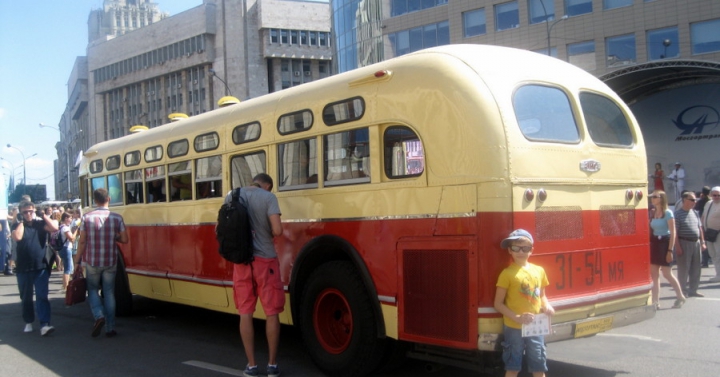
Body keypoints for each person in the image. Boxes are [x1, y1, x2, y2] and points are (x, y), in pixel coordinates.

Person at [223, 173, 283, 377]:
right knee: (271, 312)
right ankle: (272, 365)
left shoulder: (232, 195)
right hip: (266, 262)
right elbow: (277, 230)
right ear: (267, 185)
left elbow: (220, 229)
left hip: (241, 263)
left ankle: (251, 365)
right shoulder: (268, 198)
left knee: (245, 312)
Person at [494, 229, 554, 377]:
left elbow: (542, 296)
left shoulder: (539, 271)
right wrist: (517, 318)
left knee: (538, 365)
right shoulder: (507, 274)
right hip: (514, 327)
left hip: (535, 326)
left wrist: (547, 306)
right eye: (515, 248)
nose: (520, 252)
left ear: (531, 250)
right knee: (513, 366)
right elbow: (498, 304)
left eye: (525, 248)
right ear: (510, 250)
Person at [74, 188, 129, 338]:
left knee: (92, 290)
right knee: (109, 292)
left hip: (92, 261)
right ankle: (110, 328)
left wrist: (77, 260)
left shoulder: (87, 217)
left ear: (95, 200)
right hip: (110, 260)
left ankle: (99, 315)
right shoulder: (117, 218)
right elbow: (125, 239)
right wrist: (114, 236)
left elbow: (83, 241)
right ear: (109, 199)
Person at [11, 200, 59, 336]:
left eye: (30, 211)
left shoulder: (40, 224)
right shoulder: (17, 225)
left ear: (34, 211)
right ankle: (28, 321)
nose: (28, 214)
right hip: (23, 268)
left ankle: (45, 324)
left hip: (40, 266)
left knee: (42, 296)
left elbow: (55, 228)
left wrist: (43, 215)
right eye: (25, 212)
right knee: (26, 297)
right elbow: (18, 237)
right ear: (21, 213)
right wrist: (21, 221)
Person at [649, 190, 686, 309]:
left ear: (661, 198)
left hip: (665, 243)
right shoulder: (653, 212)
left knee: (667, 273)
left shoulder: (668, 213)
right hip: (655, 243)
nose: (652, 199)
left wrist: (670, 251)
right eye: (652, 197)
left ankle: (680, 296)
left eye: (655, 197)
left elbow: (673, 232)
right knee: (654, 274)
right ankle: (655, 301)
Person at [674, 191, 705, 298]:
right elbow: (675, 233)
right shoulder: (677, 214)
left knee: (696, 268)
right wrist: (677, 246)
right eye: (692, 199)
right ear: (684, 200)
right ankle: (682, 290)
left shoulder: (695, 213)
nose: (694, 201)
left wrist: (703, 242)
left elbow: (699, 228)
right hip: (684, 242)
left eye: (695, 200)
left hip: (696, 242)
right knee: (683, 268)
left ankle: (694, 290)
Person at [704, 186, 720, 283]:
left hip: (718, 233)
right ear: (711, 195)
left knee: (719, 255)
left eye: (718, 195)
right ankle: (718, 273)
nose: (716, 197)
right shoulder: (708, 204)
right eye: (714, 195)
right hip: (709, 233)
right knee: (713, 254)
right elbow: (704, 216)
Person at [58, 212, 78, 291]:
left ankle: (64, 285)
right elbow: (72, 238)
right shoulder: (65, 228)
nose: (71, 219)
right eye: (70, 218)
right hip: (66, 248)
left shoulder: (61, 226)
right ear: (65, 218)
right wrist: (75, 231)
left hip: (62, 248)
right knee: (68, 269)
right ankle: (66, 287)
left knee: (67, 267)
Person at [696, 186, 712, 267]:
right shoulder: (712, 201)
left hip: (702, 223)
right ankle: (710, 259)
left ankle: (705, 261)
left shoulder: (701, 201)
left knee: (704, 242)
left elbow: (696, 208)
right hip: (711, 223)